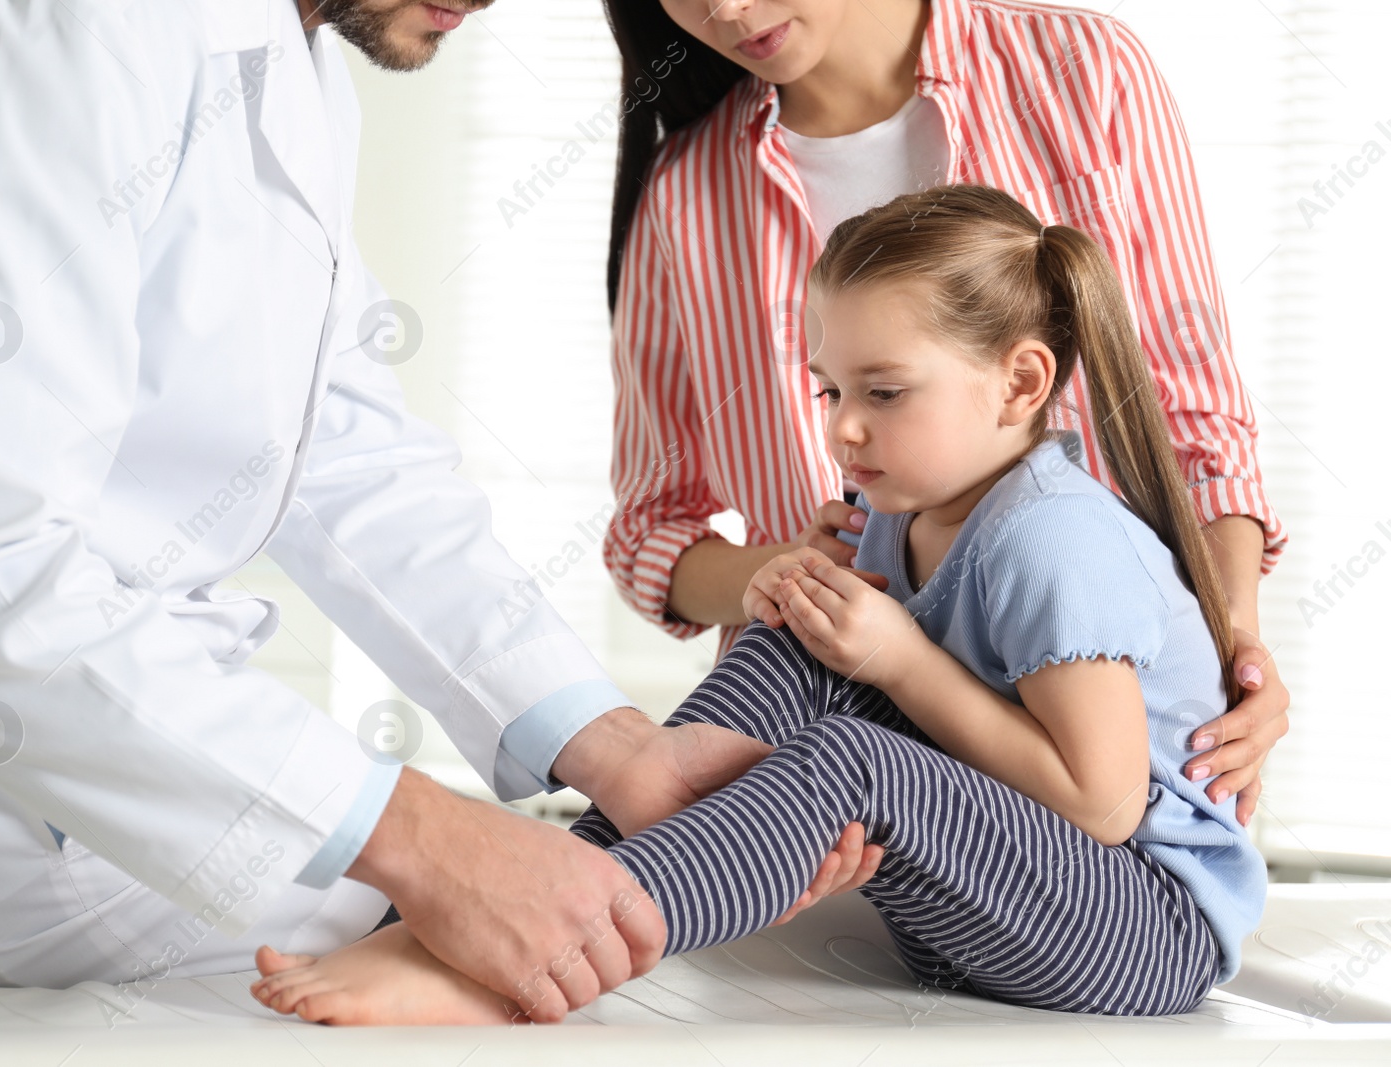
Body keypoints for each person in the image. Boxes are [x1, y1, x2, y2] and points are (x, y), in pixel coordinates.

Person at [0, 0, 876, 1023]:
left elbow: (346, 455)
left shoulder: (296, 55)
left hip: (120, 767)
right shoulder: (25, 30)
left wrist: (615, 744)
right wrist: (423, 841)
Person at [249, 184, 1266, 1024]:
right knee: (794, 642)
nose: (845, 431)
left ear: (1019, 382)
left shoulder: (1053, 537)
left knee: (858, 745)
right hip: (1006, 899)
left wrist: (900, 658)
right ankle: (547, 894)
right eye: (830, 392)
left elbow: (1101, 803)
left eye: (885, 391)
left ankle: (552, 948)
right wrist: (817, 610)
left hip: (1139, 927)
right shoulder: (899, 510)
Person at [599, 0, 1289, 827]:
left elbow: (1197, 429)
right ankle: (573, 890)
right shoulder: (687, 194)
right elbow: (649, 528)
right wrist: (795, 576)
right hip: (829, 775)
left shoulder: (1083, 73)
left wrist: (1235, 645)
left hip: (1091, 757)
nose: (725, 9)